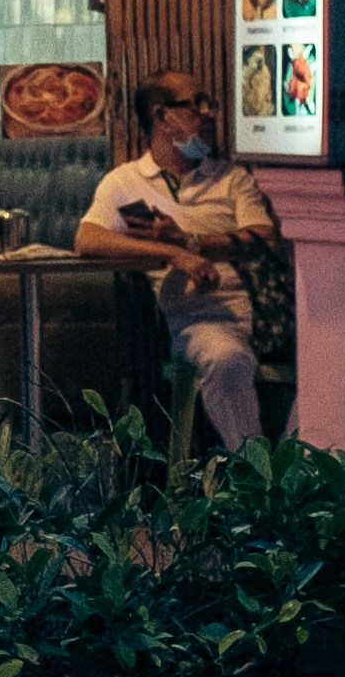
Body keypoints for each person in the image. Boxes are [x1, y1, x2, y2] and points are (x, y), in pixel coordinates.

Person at [73, 71, 279, 453]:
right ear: (162, 116)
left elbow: (264, 238)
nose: (210, 113)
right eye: (197, 104)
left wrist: (187, 240)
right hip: (193, 323)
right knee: (225, 357)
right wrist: (173, 254)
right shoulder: (125, 181)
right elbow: (88, 239)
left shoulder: (230, 178)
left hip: (267, 317)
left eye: (209, 104)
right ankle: (257, 471)